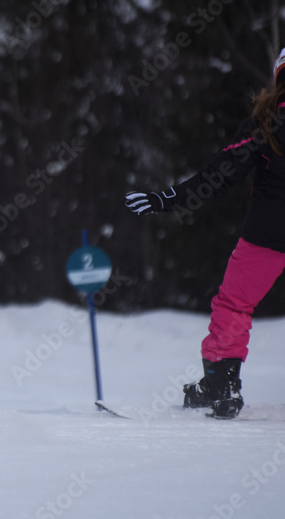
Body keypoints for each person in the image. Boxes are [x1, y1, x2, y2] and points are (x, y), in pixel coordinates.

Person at [124, 47, 285, 419]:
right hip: (266, 234)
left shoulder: (266, 124)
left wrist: (167, 199)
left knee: (234, 306)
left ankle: (221, 387)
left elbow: (219, 175)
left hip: (267, 236)